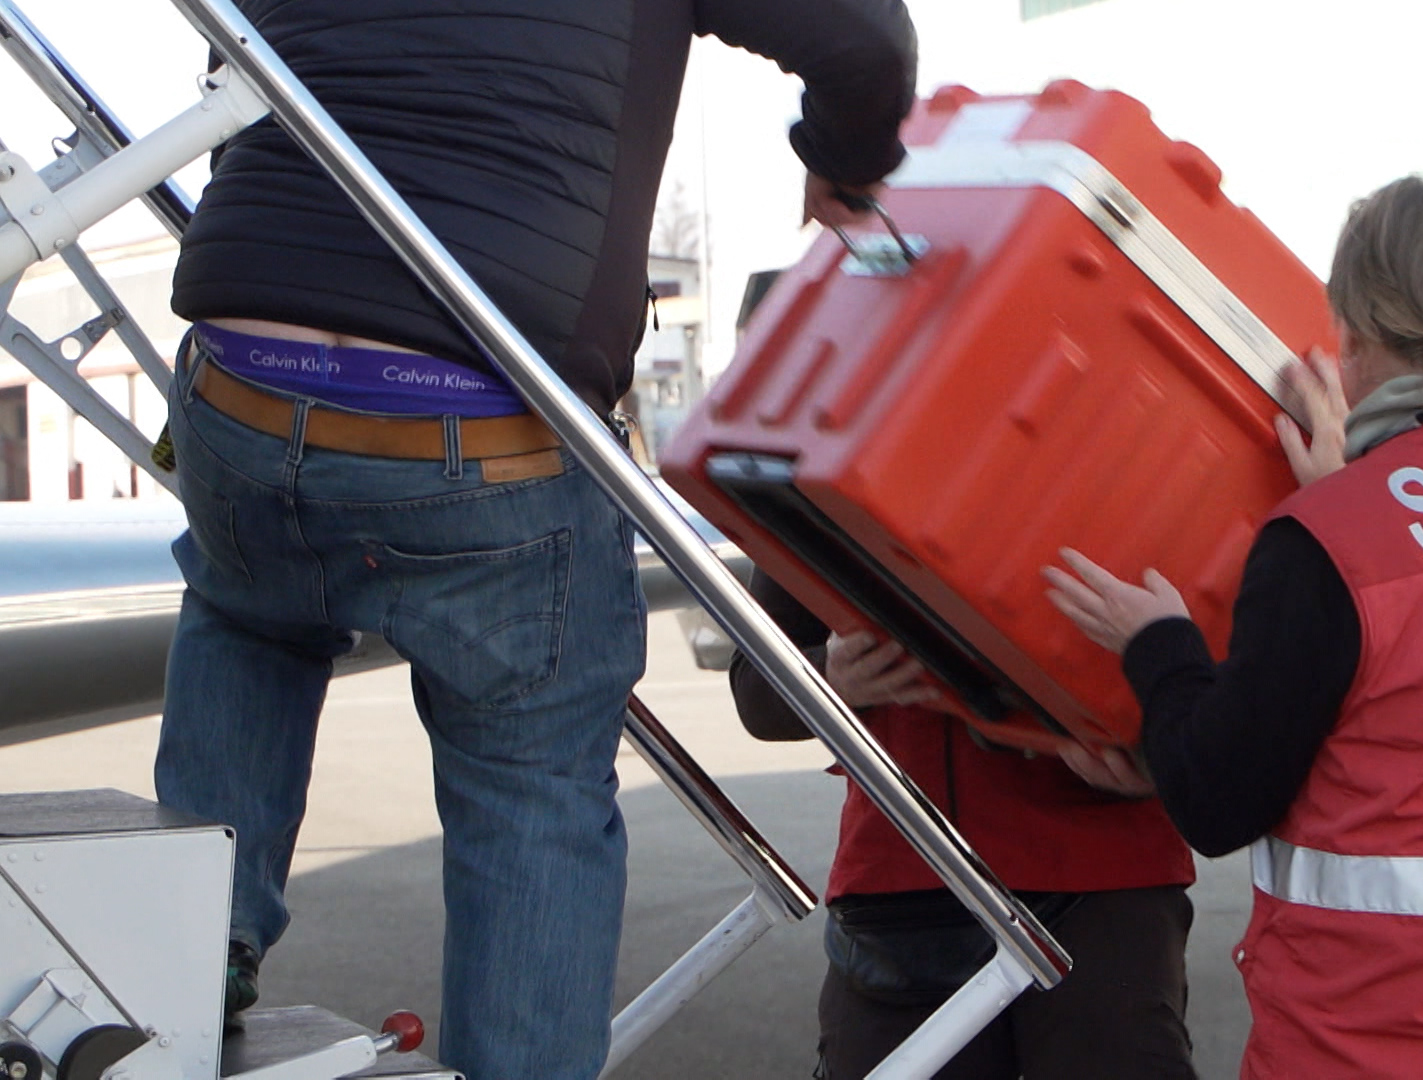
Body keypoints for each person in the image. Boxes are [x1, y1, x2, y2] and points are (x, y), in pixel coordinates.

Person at [152, 4, 917, 1078]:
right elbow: (865, 40)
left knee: (247, 613)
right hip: (479, 406)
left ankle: (187, 955)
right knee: (531, 778)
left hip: (243, 364)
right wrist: (843, 162)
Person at [1044, 174, 1423, 1078]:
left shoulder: (1329, 543)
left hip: (1371, 1050)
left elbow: (1218, 800)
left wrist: (1163, 651)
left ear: (1360, 326)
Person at [728, 571, 1199, 1079]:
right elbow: (755, 692)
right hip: (905, 878)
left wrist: (1165, 748)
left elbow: (1231, 658)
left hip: (1101, 872)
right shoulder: (817, 489)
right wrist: (827, 677)